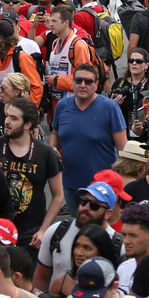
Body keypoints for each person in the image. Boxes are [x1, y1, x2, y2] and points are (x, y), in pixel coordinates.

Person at [51, 62, 128, 215]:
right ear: (72, 83)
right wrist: (53, 148)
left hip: (102, 187)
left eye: (88, 81)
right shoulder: (62, 106)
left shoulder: (110, 107)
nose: (83, 85)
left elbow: (123, 148)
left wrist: (122, 183)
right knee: (78, 228)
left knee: (101, 233)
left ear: (97, 84)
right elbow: (54, 134)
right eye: (78, 80)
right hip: (70, 184)